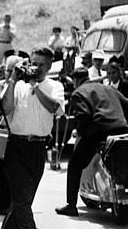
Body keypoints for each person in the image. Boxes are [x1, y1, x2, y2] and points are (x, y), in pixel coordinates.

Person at [0, 47, 65, 229]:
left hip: (37, 148)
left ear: (50, 66)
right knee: (23, 192)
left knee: (25, 196)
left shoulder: (55, 86)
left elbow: (55, 108)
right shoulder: (17, 86)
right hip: (15, 146)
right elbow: (6, 108)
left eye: (41, 64)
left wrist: (36, 86)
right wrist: (12, 79)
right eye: (33, 62)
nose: (35, 67)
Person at [55, 67, 128, 216]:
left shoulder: (78, 93)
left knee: (74, 165)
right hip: (121, 131)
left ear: (75, 80)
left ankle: (71, 205)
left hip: (98, 133)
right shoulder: (108, 88)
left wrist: (80, 131)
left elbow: (84, 116)